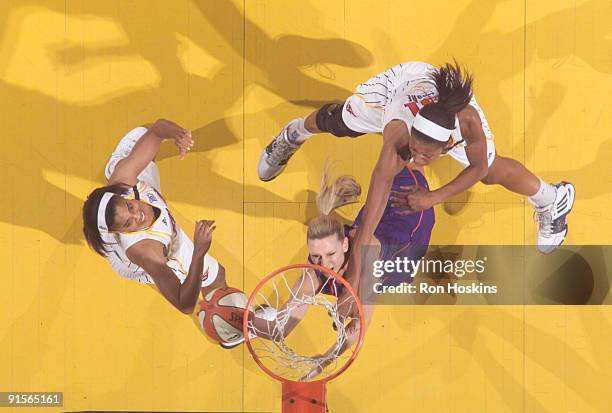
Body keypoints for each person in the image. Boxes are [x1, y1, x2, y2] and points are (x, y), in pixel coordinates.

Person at [257, 61, 575, 287]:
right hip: (400, 88)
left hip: (437, 106)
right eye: (415, 151)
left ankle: (553, 198)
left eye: (426, 155)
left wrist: (433, 197)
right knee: (340, 122)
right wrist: (353, 274)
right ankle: (292, 134)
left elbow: (477, 168)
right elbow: (368, 223)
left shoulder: (467, 122)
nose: (418, 159)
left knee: (490, 170)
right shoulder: (396, 138)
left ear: (448, 145)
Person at [250, 163, 435, 379]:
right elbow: (279, 331)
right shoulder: (312, 272)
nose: (325, 265)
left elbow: (361, 326)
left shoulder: (370, 256)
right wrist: (242, 321)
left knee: (411, 167)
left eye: (330, 255)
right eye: (316, 256)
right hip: (377, 233)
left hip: (409, 224)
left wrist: (325, 360)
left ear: (345, 244)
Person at [82, 120, 242, 349]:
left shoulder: (124, 178)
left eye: (129, 207)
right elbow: (184, 303)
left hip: (129, 187)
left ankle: (111, 195)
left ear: (121, 194)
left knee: (140, 133)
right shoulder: (147, 252)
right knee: (217, 277)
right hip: (142, 259)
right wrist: (198, 252)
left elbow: (157, 129)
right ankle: (226, 329)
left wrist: (178, 135)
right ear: (120, 231)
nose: (137, 215)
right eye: (128, 222)